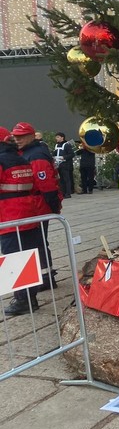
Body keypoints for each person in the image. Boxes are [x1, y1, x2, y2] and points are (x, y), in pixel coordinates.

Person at [0, 127, 45, 316]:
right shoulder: (20, 158)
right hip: (27, 213)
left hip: (9, 216)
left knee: (13, 258)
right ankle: (30, 298)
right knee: (26, 257)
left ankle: (22, 301)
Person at [12, 122, 61, 291]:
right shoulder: (30, 152)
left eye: (21, 136)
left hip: (39, 205)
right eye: (15, 136)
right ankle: (44, 276)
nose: (17, 140)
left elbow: (46, 184)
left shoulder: (36, 155)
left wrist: (54, 208)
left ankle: (46, 278)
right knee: (37, 241)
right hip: (36, 204)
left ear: (32, 136)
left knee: (37, 242)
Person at [52, 132, 75, 198]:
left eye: (58, 137)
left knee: (66, 179)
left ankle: (68, 193)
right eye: (56, 137)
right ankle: (63, 192)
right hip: (58, 164)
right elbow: (55, 153)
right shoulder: (56, 145)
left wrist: (64, 157)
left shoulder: (66, 145)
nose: (56, 138)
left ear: (62, 138)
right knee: (61, 179)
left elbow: (72, 154)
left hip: (65, 164)